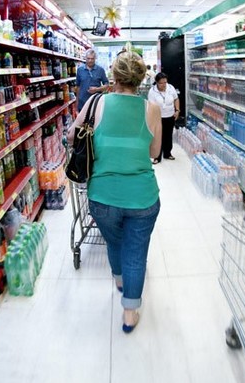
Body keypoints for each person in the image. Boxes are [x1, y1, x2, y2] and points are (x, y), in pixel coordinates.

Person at [67, 51, 162, 333]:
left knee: (114, 242)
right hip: (143, 197)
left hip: (102, 197)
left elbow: (72, 137)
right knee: (136, 251)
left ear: (114, 77)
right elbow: (155, 152)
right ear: (140, 79)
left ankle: (119, 280)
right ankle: (130, 313)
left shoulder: (96, 103)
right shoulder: (152, 109)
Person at [147, 72, 180, 164]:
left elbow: (176, 99)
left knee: (168, 135)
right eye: (161, 83)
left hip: (170, 115)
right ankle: (157, 156)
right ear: (157, 82)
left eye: (165, 82)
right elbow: (151, 106)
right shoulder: (152, 91)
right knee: (158, 136)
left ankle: (167, 153)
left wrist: (177, 110)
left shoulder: (171, 88)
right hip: (158, 117)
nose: (164, 85)